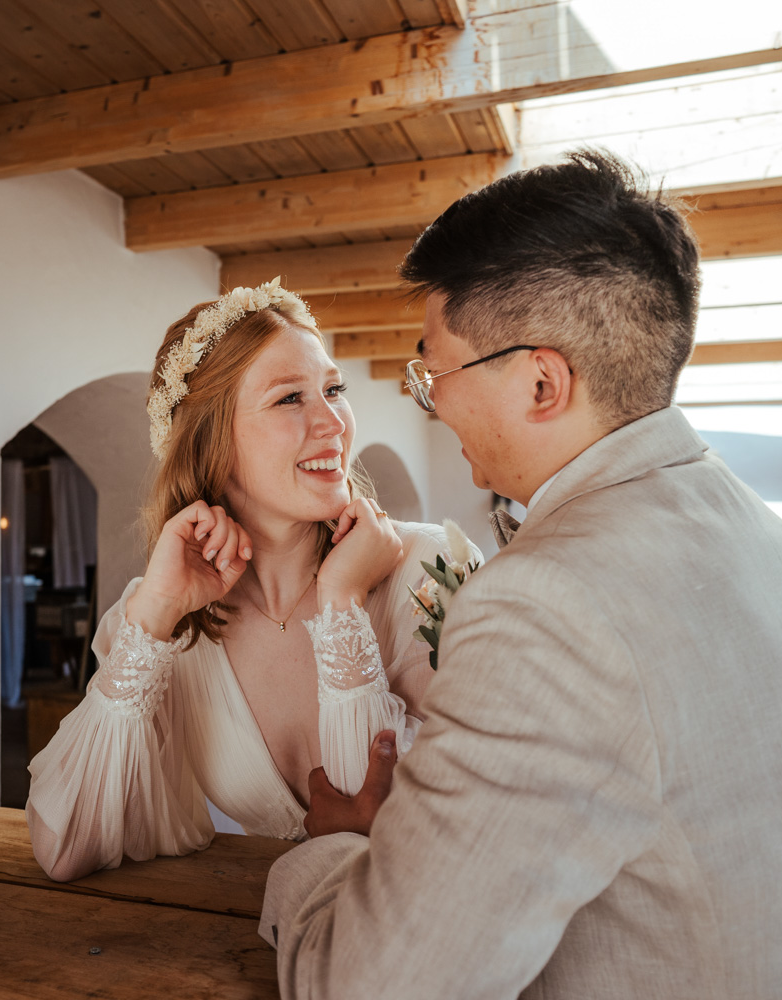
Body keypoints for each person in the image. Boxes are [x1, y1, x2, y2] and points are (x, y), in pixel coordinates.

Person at [258, 151, 782, 999]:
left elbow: (374, 983)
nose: (432, 400)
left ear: (542, 382)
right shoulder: (758, 530)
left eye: (435, 371)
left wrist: (332, 850)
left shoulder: (546, 602)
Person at [26, 280, 476, 882]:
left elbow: (439, 834)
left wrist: (342, 601)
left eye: (333, 389)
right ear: (214, 443)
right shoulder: (159, 625)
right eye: (290, 399)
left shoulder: (429, 573)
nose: (334, 423)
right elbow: (65, 847)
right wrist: (156, 613)